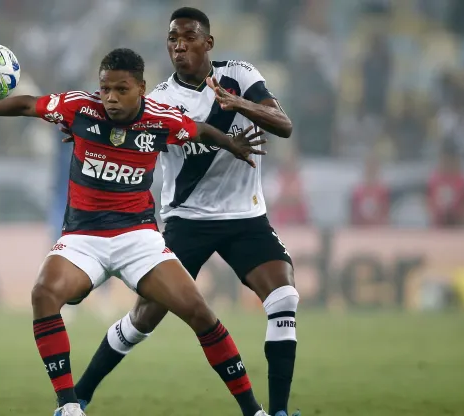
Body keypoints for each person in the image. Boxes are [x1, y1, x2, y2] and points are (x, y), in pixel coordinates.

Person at [0, 48, 270, 416]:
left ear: (141, 88)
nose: (110, 97)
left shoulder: (162, 119)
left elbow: (199, 130)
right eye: (105, 88)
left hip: (139, 238)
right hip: (83, 238)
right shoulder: (79, 108)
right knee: (44, 294)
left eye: (121, 89)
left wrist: (231, 142)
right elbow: (28, 105)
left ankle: (254, 411)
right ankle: (68, 406)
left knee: (200, 312)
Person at [69, 8, 300, 416]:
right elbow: (116, 126)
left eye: (188, 37)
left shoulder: (240, 76)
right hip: (185, 220)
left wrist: (238, 103)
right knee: (143, 318)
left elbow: (283, 125)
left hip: (244, 218)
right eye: (172, 38)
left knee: (284, 297)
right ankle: (78, 398)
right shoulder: (158, 99)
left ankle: (277, 412)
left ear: (207, 43)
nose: (179, 45)